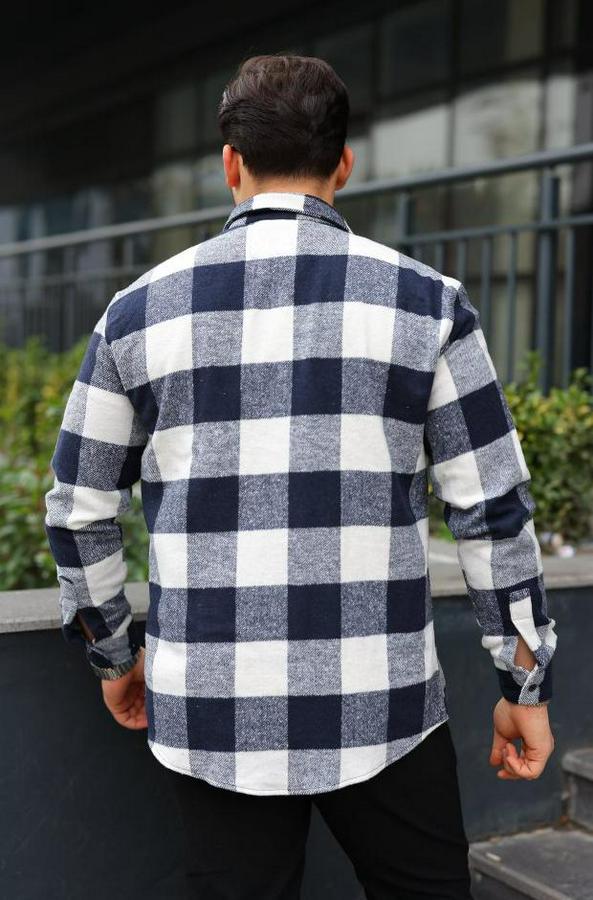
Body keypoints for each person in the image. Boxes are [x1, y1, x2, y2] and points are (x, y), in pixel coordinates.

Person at [44, 53, 557, 900]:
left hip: (212, 711)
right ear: (342, 164)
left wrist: (113, 656)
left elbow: (77, 509)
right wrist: (522, 684)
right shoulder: (427, 304)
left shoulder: (136, 314)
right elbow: (491, 509)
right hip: (383, 703)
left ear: (231, 164)